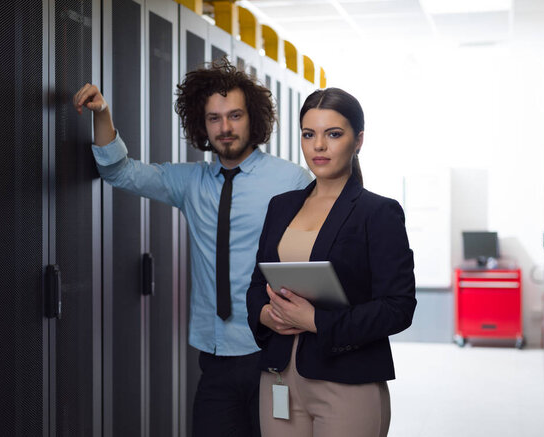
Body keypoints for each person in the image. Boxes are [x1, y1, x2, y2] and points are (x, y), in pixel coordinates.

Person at [73, 59, 312, 437]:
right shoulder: (190, 182)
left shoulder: (292, 180)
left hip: (275, 351)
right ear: (202, 125)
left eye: (235, 115)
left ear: (253, 119)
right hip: (215, 355)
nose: (226, 127)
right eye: (214, 118)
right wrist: (101, 112)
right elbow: (118, 171)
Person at [246, 87, 416, 437]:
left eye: (333, 134)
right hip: (278, 376)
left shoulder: (378, 212)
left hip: (347, 380)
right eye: (309, 134)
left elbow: (398, 307)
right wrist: (266, 315)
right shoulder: (281, 206)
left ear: (358, 141)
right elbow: (255, 286)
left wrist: (316, 321)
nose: (318, 146)